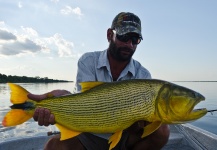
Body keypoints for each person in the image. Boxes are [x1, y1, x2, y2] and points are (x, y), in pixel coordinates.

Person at [28, 12, 170, 150]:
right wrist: (59, 99)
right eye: (124, 36)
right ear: (109, 34)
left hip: (126, 137)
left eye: (135, 40)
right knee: (53, 146)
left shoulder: (143, 75)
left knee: (162, 130)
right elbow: (81, 101)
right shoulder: (88, 61)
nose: (129, 44)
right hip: (88, 134)